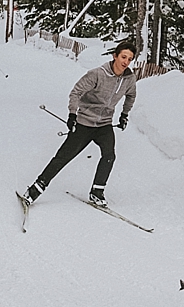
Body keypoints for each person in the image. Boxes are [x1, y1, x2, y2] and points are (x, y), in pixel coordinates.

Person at [22, 41, 138, 208]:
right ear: (115, 56)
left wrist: (124, 115)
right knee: (63, 157)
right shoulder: (97, 74)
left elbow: (131, 95)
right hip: (84, 122)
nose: (126, 62)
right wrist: (72, 114)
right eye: (123, 57)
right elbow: (76, 92)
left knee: (109, 155)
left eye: (130, 59)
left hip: (104, 124)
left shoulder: (129, 78)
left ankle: (97, 192)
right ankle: (35, 190)